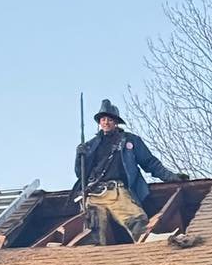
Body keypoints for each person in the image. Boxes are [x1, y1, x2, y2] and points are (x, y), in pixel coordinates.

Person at [75, 99, 189, 244]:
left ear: (116, 122)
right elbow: (81, 174)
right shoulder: (91, 145)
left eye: (109, 119)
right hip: (94, 195)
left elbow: (150, 163)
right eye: (103, 119)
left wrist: (171, 177)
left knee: (138, 224)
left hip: (116, 192)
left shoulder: (130, 140)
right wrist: (79, 156)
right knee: (94, 233)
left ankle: (155, 245)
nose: (106, 122)